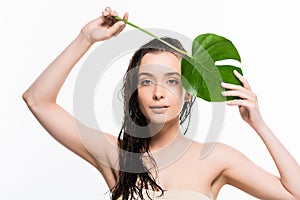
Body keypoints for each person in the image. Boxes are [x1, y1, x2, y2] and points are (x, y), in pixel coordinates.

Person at [22, 7, 300, 200]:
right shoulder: (116, 157)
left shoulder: (216, 158)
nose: (157, 92)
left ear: (189, 92)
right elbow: (37, 100)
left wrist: (259, 124)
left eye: (171, 81)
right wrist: (85, 38)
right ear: (134, 92)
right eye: (146, 81)